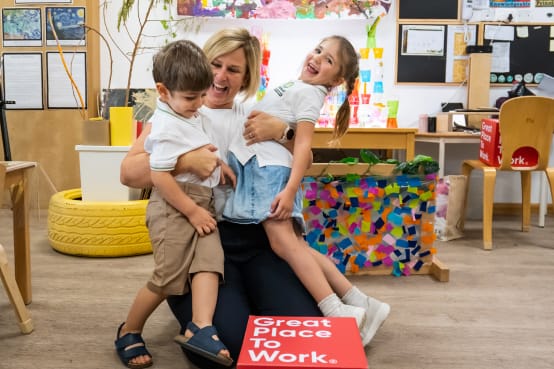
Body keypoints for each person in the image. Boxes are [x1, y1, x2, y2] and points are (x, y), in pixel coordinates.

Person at [120, 28, 387, 369]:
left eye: (233, 70)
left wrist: (283, 131)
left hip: (258, 240)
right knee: (228, 345)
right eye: (215, 65)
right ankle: (193, 316)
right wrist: (185, 162)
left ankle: (288, 300)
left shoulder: (254, 112)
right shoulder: (180, 112)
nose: (220, 77)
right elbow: (129, 172)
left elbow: (302, 156)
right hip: (203, 241)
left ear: (246, 78)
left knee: (307, 330)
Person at [223, 35, 390, 345]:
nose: (317, 59)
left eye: (328, 60)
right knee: (296, 244)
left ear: (337, 79)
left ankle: (336, 310)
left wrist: (289, 190)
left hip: (269, 172)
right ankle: (361, 303)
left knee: (284, 244)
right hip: (266, 169)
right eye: (317, 50)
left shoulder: (311, 95)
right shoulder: (297, 86)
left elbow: (303, 147)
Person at [114, 40, 234, 369]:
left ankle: (200, 326)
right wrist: (192, 211)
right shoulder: (165, 124)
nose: (198, 104)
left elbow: (201, 146)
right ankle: (130, 329)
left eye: (201, 94)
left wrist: (219, 163)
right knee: (169, 277)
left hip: (200, 203)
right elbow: (161, 177)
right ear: (163, 92)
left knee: (210, 262)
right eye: (190, 98)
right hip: (173, 206)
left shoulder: (190, 112)